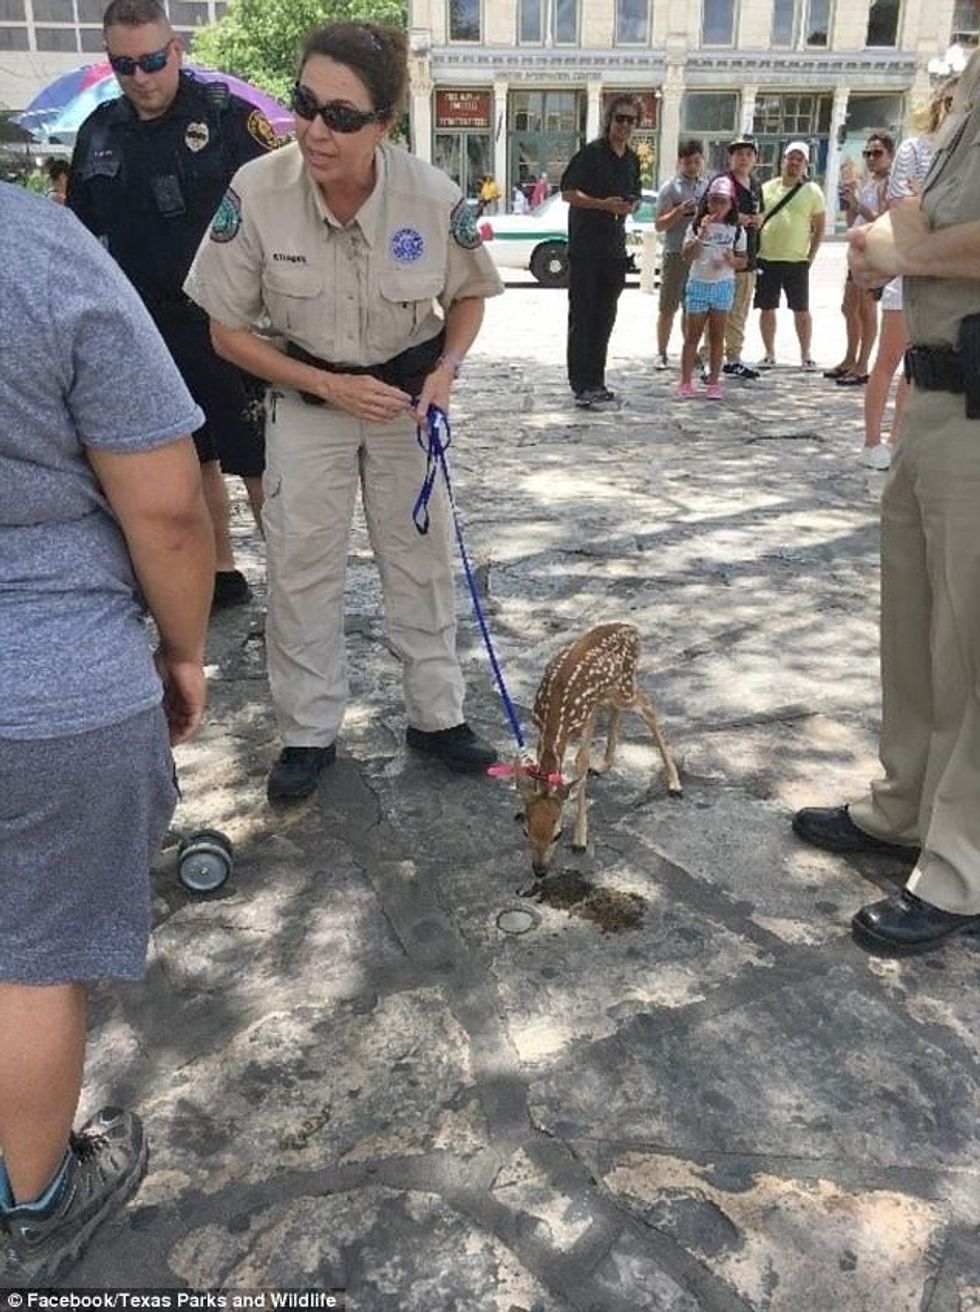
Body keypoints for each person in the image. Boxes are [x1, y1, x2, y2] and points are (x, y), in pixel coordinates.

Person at [183, 21, 504, 802]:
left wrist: (447, 371)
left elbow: (466, 297)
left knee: (421, 564)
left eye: (342, 116)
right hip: (307, 399)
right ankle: (306, 733)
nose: (316, 129)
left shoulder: (432, 196)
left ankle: (437, 717)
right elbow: (225, 332)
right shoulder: (256, 192)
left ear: (384, 124)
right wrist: (328, 387)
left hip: (402, 401)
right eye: (306, 105)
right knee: (300, 570)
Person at [0, 181, 211, 1283]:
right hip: (42, 682)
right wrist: (183, 649)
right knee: (29, 957)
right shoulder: (39, 251)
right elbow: (167, 505)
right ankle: (34, 1202)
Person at [792, 52, 980, 955]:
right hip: (938, 392)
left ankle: (963, 869)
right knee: (915, 631)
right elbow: (913, 214)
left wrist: (908, 248)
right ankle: (906, 808)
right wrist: (906, 241)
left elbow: (914, 230)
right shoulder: (968, 83)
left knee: (974, 650)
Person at [67, 0, 276, 612]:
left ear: (176, 50)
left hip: (228, 322)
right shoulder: (100, 131)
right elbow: (81, 235)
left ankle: (293, 583)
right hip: (145, 329)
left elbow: (282, 214)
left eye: (153, 60)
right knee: (191, 456)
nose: (141, 76)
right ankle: (219, 571)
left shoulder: (230, 119)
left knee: (257, 458)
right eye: (124, 64)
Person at [861, 82, 957, 471]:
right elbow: (902, 207)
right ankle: (871, 441)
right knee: (889, 356)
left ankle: (898, 438)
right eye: (949, 100)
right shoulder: (915, 149)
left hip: (947, 271)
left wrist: (932, 206)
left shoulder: (964, 151)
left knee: (918, 365)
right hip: (910, 266)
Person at [560, 95, 641, 409]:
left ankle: (597, 379)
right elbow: (568, 192)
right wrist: (601, 204)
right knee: (583, 316)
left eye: (630, 120)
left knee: (605, 317)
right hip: (585, 247)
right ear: (609, 120)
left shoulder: (632, 159)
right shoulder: (591, 154)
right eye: (619, 118)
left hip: (614, 248)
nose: (624, 125)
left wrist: (630, 204)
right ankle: (581, 384)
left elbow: (633, 193)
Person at [824, 132, 893, 389]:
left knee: (866, 310)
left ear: (890, 155)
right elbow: (854, 220)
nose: (872, 158)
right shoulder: (867, 181)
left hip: (875, 250)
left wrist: (858, 204)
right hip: (858, 250)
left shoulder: (889, 183)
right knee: (848, 306)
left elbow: (883, 219)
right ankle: (849, 358)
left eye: (877, 153)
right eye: (868, 153)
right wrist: (849, 202)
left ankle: (864, 365)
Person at [754, 141, 826, 370]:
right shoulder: (767, 188)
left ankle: (806, 354)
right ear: (782, 160)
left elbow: (820, 227)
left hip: (796, 261)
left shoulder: (812, 191)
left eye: (799, 159)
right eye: (790, 157)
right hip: (767, 257)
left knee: (801, 309)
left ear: (805, 164)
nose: (794, 162)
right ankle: (769, 352)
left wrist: (810, 257)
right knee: (767, 307)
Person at [675, 174, 747, 400]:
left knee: (718, 337)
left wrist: (731, 260)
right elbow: (687, 255)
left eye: (722, 201)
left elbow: (744, 261)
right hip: (698, 284)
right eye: (713, 200)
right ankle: (686, 381)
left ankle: (714, 383)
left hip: (723, 285)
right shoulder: (696, 226)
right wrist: (701, 235)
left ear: (730, 204)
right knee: (691, 337)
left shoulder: (736, 230)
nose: (717, 205)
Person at [654, 138, 707, 370]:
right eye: (688, 162)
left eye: (696, 161)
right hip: (676, 253)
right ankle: (661, 352)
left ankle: (691, 351)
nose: (692, 166)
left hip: (700, 255)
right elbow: (659, 224)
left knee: (693, 307)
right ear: (680, 162)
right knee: (668, 307)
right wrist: (680, 211)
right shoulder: (670, 188)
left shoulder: (706, 187)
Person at [721, 135, 763, 381]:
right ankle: (707, 357)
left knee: (739, 311)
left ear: (755, 158)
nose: (743, 158)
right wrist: (740, 219)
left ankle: (734, 358)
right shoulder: (723, 183)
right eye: (739, 153)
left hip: (748, 257)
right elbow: (711, 211)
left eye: (748, 154)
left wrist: (759, 219)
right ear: (730, 157)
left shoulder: (756, 184)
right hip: (723, 257)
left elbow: (763, 212)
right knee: (715, 310)